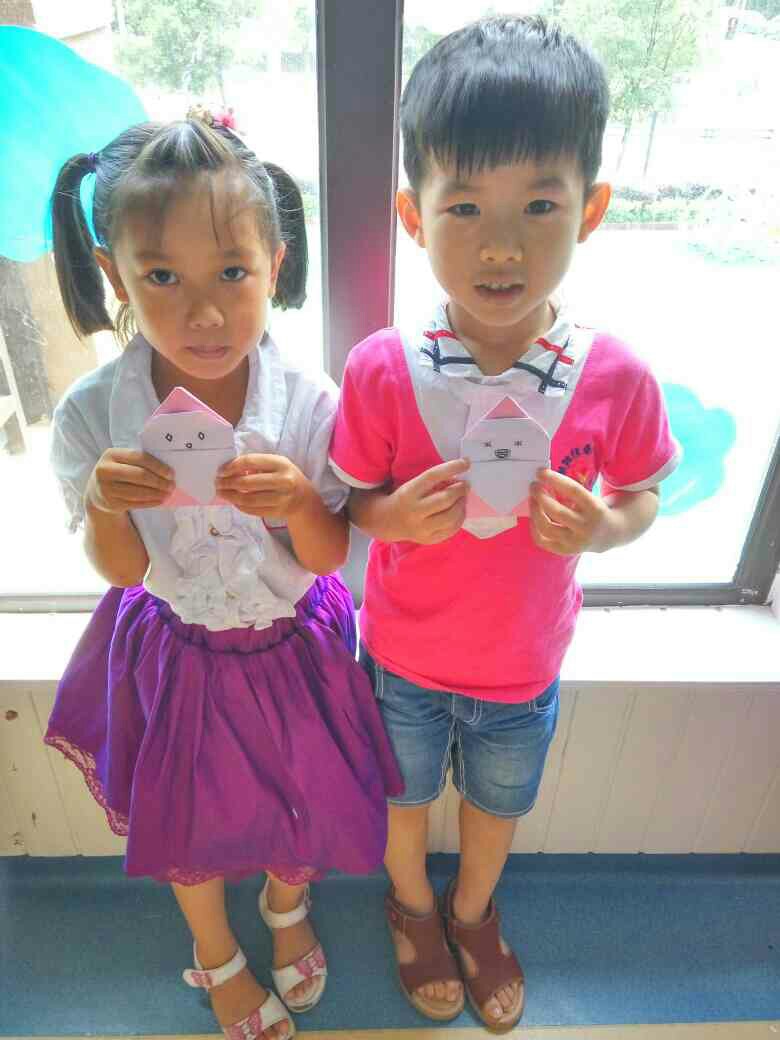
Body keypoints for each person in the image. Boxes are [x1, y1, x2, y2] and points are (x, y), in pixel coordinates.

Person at [329, 15, 679, 1034]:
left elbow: (645, 492)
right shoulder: (383, 367)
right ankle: (409, 906)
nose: (500, 243)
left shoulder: (614, 374)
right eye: (465, 205)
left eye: (540, 204)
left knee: (496, 808)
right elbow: (349, 501)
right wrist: (395, 513)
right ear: (412, 213)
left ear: (592, 208)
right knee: (399, 799)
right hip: (401, 655)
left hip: (523, 665)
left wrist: (603, 528)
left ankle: (473, 914)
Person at [44, 118, 402, 1040]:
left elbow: (328, 555)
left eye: (232, 273)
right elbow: (122, 571)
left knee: (302, 788)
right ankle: (215, 949)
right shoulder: (93, 414)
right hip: (176, 650)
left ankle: (286, 904)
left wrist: (300, 503)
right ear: (115, 274)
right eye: (164, 277)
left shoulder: (312, 402)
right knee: (183, 813)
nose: (204, 313)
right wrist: (107, 502)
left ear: (275, 266)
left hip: (296, 646)